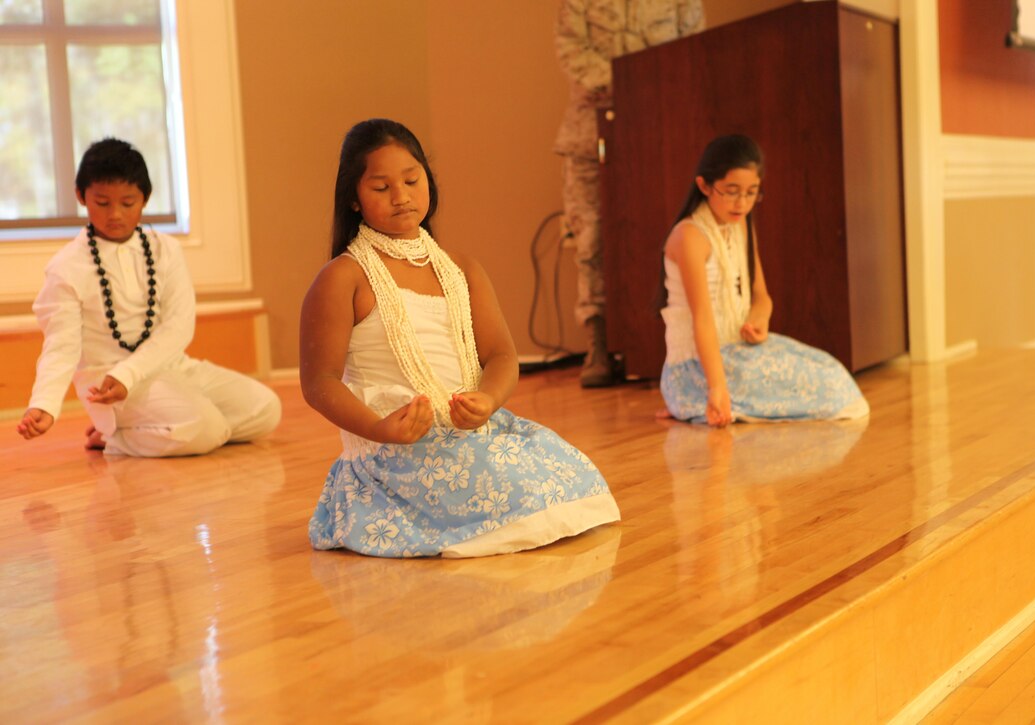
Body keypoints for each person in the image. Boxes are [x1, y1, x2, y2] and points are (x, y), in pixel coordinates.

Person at [300, 119, 620, 558]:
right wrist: (380, 429)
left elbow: (502, 356)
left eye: (412, 180)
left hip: (469, 432)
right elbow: (319, 382)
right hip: (394, 453)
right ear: (353, 200)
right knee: (520, 495)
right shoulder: (343, 277)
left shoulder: (461, 268)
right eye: (381, 187)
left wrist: (487, 401)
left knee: (577, 480)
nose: (402, 196)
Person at [17, 138, 282, 456]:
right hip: (109, 386)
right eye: (102, 203)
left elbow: (179, 325)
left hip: (173, 367)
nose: (115, 214)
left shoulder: (165, 249)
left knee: (266, 409)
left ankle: (144, 431)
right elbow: (60, 347)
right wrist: (44, 405)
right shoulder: (66, 267)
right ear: (80, 196)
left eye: (127, 203)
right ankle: (123, 434)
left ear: (145, 198)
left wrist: (132, 371)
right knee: (206, 427)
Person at [659, 135, 869, 424]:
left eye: (751, 192)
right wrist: (718, 388)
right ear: (704, 185)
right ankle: (693, 398)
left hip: (736, 348)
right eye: (731, 191)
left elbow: (761, 297)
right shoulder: (690, 236)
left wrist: (758, 320)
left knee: (833, 373)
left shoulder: (739, 224)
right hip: (698, 368)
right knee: (831, 392)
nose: (742, 203)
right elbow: (703, 319)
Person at [555, 0, 705, 387]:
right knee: (591, 240)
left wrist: (651, 83)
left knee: (668, 231)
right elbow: (571, 48)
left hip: (664, 123)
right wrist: (631, 78)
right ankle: (599, 343)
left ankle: (664, 344)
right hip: (593, 131)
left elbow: (694, 46)